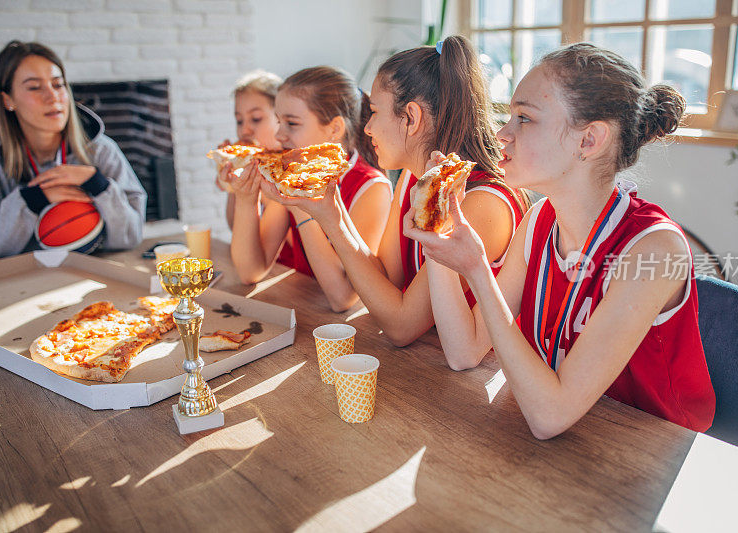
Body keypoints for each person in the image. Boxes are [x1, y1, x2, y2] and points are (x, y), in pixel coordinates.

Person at [404, 43, 715, 437]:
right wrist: (436, 231)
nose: (503, 133)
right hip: (572, 440)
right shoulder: (539, 220)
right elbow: (464, 352)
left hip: (654, 452)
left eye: (525, 118)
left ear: (589, 141)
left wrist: (477, 271)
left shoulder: (654, 249)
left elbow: (549, 417)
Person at [262, 36, 529, 352]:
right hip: (420, 364)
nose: (367, 128)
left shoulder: (483, 203)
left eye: (374, 111)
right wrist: (329, 211)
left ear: (412, 118)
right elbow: (384, 281)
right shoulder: (411, 177)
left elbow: (402, 325)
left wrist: (332, 221)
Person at [229, 66, 392, 312]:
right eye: (278, 122)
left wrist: (301, 207)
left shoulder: (371, 187)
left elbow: (343, 298)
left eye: (291, 124)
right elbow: (250, 271)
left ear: (334, 129)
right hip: (303, 309)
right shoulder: (292, 175)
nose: (279, 135)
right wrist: (245, 198)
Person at [0, 40, 146, 261]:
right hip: (18, 280)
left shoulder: (102, 151)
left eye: (58, 84)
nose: (52, 96)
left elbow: (132, 235)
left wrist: (98, 185)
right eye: (34, 87)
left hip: (88, 272)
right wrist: (33, 200)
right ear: (8, 100)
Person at [215, 70, 282, 229]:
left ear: (282, 117)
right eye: (239, 121)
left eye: (256, 119)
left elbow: (296, 246)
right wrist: (233, 187)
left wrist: (264, 193)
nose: (245, 130)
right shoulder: (256, 164)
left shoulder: (294, 169)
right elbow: (235, 229)